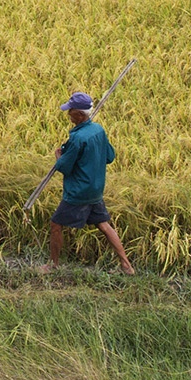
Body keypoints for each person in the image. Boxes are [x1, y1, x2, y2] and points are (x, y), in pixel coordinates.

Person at [40, 90, 135, 275]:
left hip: (79, 192)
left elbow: (65, 167)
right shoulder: (98, 130)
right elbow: (110, 156)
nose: (68, 114)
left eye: (71, 111)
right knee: (103, 225)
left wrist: (59, 156)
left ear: (79, 114)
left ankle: (52, 265)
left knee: (56, 224)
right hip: (96, 189)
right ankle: (126, 266)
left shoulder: (78, 137)